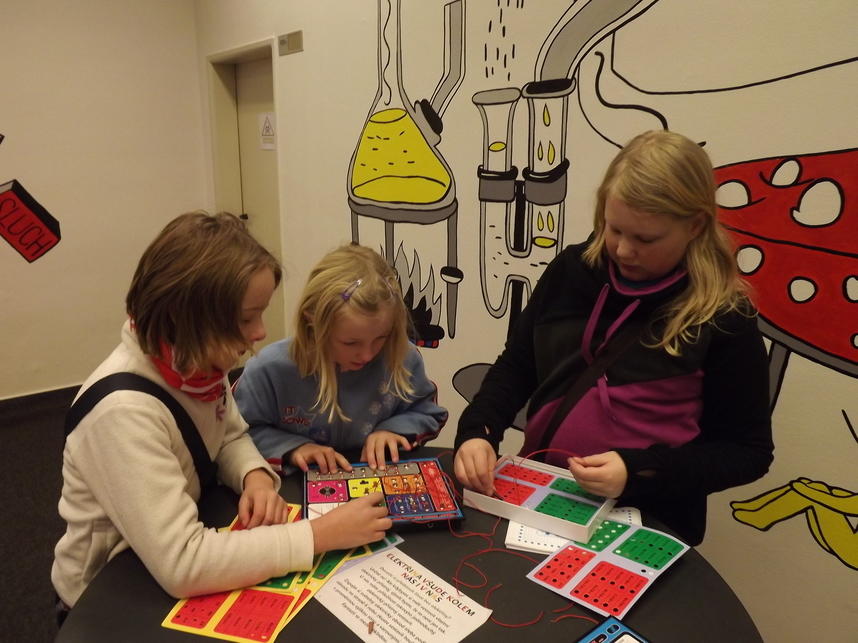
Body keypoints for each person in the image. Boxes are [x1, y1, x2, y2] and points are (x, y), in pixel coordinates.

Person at [52, 213, 391, 616]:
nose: (260, 332)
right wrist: (317, 535)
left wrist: (253, 477)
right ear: (186, 317)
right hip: (107, 599)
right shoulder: (122, 413)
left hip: (157, 561)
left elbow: (229, 435)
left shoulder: (194, 365)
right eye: (246, 318)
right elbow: (184, 563)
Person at [453, 130, 774, 545]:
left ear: (695, 225)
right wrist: (478, 431)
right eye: (614, 228)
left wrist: (637, 470)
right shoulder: (570, 271)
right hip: (543, 496)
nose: (623, 250)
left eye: (645, 239)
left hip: (650, 521)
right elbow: (517, 366)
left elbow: (747, 452)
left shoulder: (724, 315)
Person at [234, 243, 447, 474]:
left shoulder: (402, 356)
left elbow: (426, 411)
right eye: (351, 343)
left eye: (381, 338)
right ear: (313, 322)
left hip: (375, 477)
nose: (367, 354)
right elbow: (238, 436)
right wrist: (293, 448)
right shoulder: (269, 369)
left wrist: (393, 430)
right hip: (295, 483)